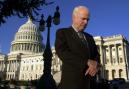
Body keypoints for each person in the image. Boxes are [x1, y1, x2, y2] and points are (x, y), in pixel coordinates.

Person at [55, 6, 100, 89]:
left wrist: (96, 64)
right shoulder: (63, 33)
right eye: (83, 19)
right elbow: (62, 52)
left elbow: (96, 55)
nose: (86, 22)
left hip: (91, 84)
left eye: (87, 20)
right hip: (72, 84)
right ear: (74, 17)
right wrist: (86, 62)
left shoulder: (89, 37)